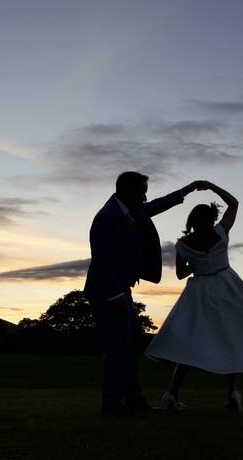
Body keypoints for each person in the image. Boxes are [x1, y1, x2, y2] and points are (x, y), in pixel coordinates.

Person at [144, 181, 243, 412]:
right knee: (229, 339)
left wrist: (197, 264)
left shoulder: (183, 245)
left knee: (190, 346)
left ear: (193, 221)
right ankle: (232, 393)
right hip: (228, 288)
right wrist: (211, 187)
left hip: (201, 293)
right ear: (211, 219)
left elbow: (181, 274)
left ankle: (172, 395)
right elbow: (234, 203)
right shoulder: (220, 233)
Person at [84, 171, 206, 415]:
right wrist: (116, 295)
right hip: (107, 293)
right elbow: (102, 260)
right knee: (118, 349)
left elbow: (158, 205)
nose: (145, 196)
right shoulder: (106, 218)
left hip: (121, 290)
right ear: (127, 191)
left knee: (129, 347)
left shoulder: (131, 210)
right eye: (141, 191)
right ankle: (113, 405)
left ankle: (134, 401)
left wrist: (187, 190)